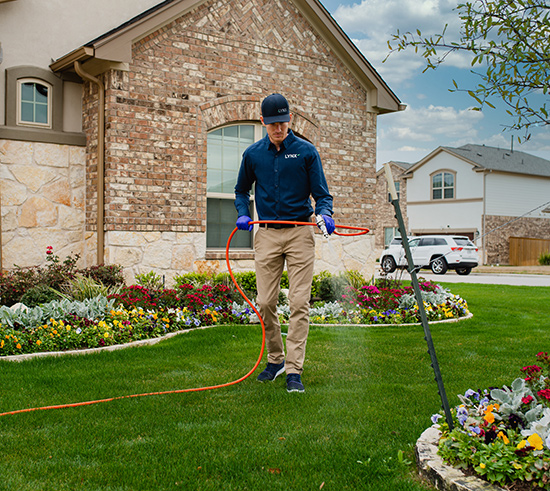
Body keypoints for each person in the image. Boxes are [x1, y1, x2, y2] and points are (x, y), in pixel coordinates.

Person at [234, 93, 334, 393]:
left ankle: (293, 370)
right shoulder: (253, 155)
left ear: (288, 119)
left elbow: (323, 195)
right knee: (265, 303)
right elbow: (241, 190)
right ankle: (276, 360)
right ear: (263, 121)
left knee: (299, 302)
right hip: (266, 233)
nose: (278, 128)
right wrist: (242, 213)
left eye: (283, 122)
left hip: (300, 233)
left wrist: (325, 214)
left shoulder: (306, 152)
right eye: (273, 123)